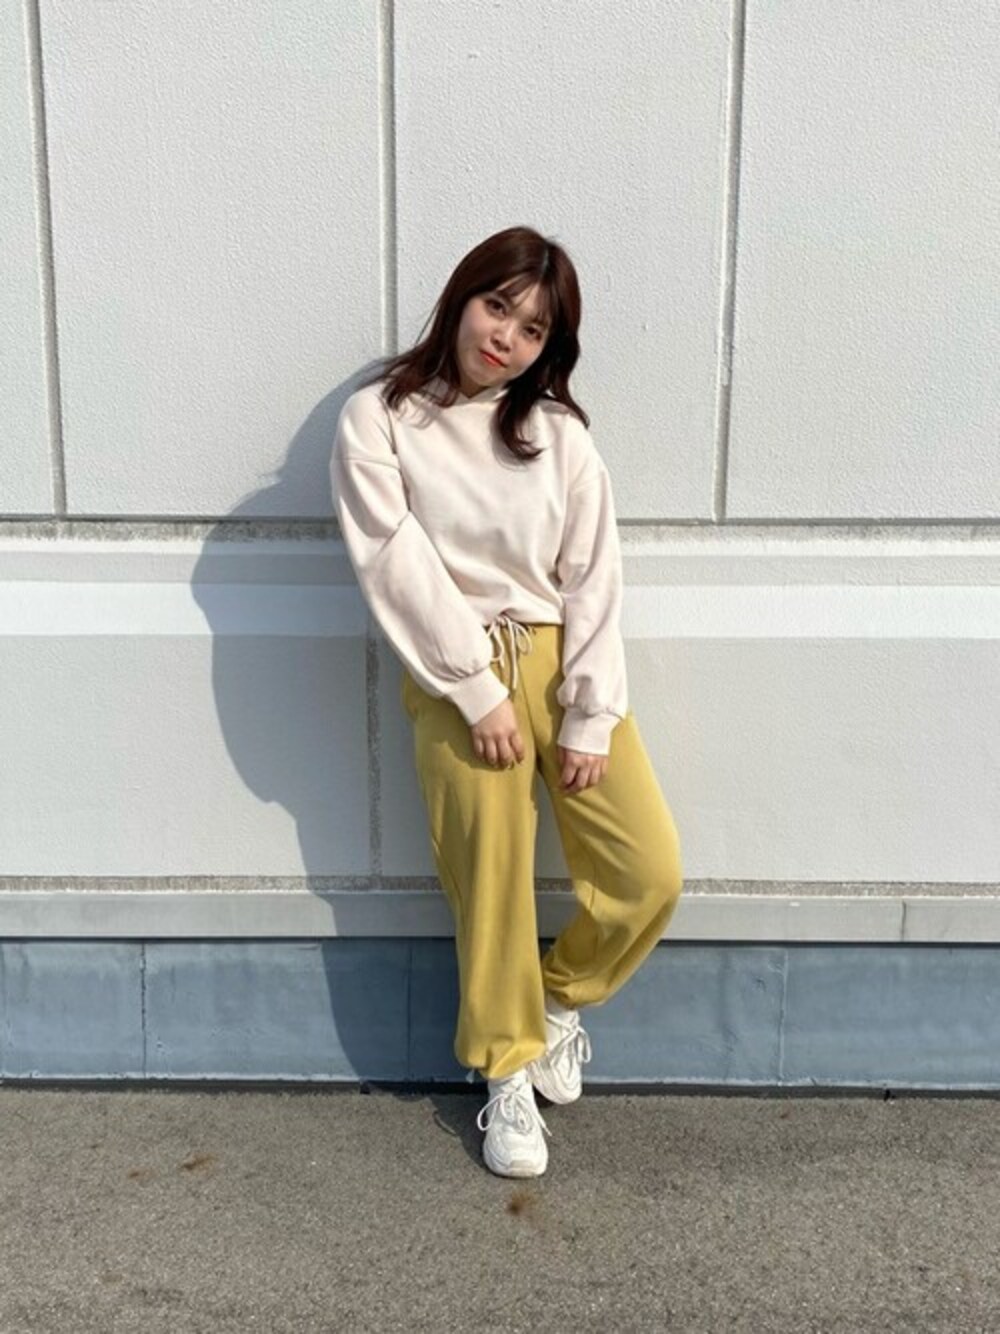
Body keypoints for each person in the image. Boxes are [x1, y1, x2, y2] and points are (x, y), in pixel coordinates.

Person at [331, 225, 683, 1178]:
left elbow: (593, 576)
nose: (507, 339)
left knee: (648, 871)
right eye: (498, 308)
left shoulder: (559, 434)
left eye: (534, 330)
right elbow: (392, 560)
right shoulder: (381, 418)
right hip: (456, 670)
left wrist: (589, 712)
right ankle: (506, 1070)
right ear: (463, 297)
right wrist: (476, 690)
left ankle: (556, 999)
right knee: (490, 883)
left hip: (559, 661)